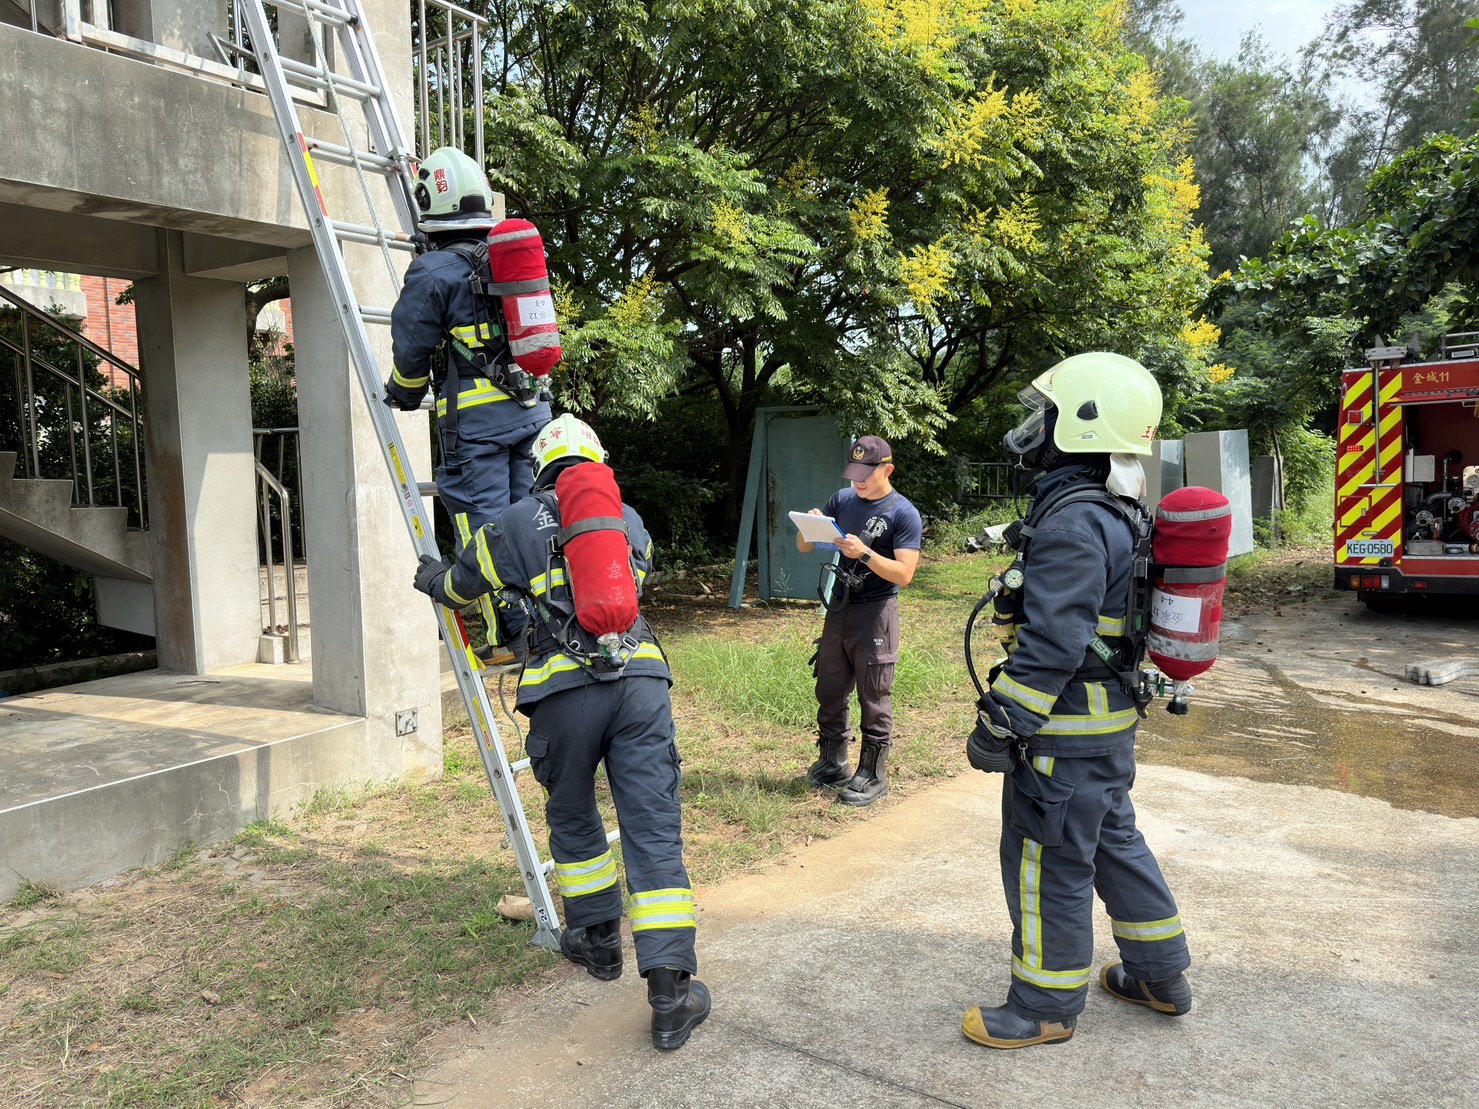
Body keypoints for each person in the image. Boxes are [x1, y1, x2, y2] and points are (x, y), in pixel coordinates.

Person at [411, 413, 710, 1052]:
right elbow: (627, 594)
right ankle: (670, 998)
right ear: (595, 465)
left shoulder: (511, 523)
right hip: (640, 684)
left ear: (542, 465)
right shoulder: (627, 522)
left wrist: (432, 578)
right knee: (652, 828)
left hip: (563, 692)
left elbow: (464, 589)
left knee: (574, 813)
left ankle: (598, 944)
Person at [960, 351, 1192, 1050]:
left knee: (1047, 858)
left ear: (1082, 426)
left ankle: (1042, 1005)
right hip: (1106, 728)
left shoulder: (1070, 521)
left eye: (1049, 415)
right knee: (1113, 843)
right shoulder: (1117, 509)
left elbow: (1056, 640)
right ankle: (1159, 974)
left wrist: (1003, 719)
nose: (1036, 428)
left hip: (1063, 735)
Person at [384, 146, 551, 659]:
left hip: (476, 432)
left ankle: (510, 635)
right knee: (531, 520)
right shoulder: (507, 258)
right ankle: (546, 623)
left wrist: (403, 392)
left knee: (486, 527)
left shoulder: (434, 272)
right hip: (533, 414)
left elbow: (411, 345)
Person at [796, 435, 923, 807]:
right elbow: (806, 546)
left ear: (888, 469)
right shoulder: (843, 500)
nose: (859, 481)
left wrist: (865, 554)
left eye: (867, 474)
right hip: (840, 607)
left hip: (876, 611)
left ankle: (872, 773)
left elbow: (904, 574)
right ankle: (833, 759)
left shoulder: (903, 513)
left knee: (874, 692)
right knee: (830, 685)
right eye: (854, 474)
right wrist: (810, 525)